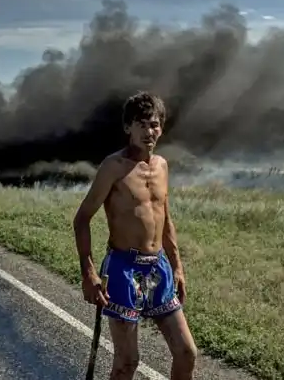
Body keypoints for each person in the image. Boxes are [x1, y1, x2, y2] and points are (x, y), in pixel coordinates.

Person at [73, 91, 198, 380]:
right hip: (123, 269)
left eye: (154, 125)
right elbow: (82, 219)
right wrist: (88, 272)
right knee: (127, 362)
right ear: (128, 127)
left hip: (158, 268)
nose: (149, 132)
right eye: (141, 124)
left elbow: (165, 219)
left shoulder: (162, 166)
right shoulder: (113, 167)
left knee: (186, 352)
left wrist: (177, 266)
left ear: (161, 128)